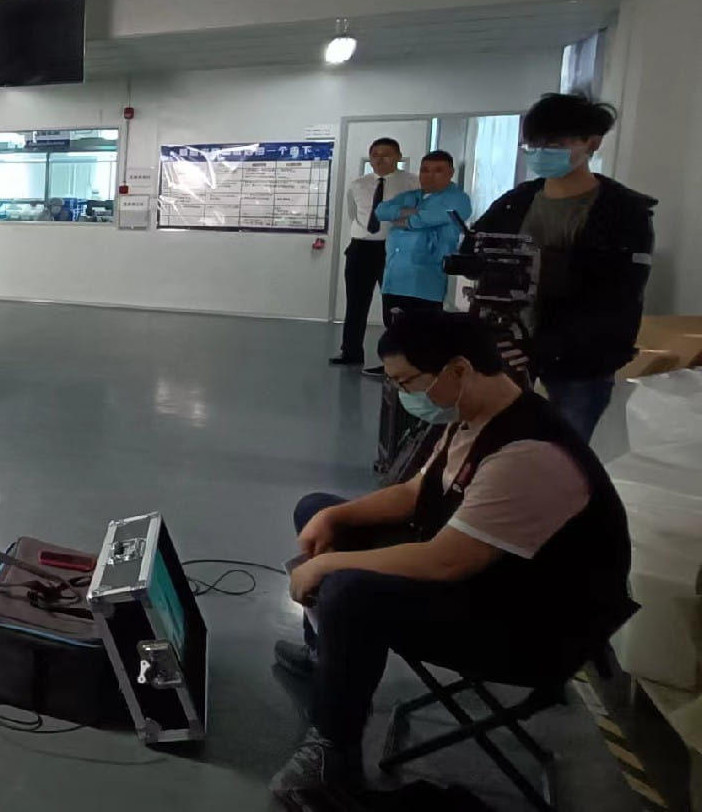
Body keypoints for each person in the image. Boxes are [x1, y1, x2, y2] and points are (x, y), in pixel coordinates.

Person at [270, 310, 633, 803]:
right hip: (490, 574)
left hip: (531, 626)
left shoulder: (529, 453)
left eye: (407, 382)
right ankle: (330, 656)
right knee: (317, 510)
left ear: (458, 370)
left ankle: (333, 753)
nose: (401, 394)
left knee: (349, 593)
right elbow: (415, 494)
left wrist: (327, 564)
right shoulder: (475, 415)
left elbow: (446, 562)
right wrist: (334, 518)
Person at [471, 95, 656, 443]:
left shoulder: (622, 213)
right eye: (534, 145)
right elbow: (476, 248)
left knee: (566, 451)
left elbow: (618, 299)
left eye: (555, 144)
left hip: (578, 360)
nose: (542, 152)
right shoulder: (518, 201)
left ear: (592, 143)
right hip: (508, 347)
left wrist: (543, 348)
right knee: (501, 444)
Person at [362, 151, 471, 376]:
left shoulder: (457, 199)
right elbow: (382, 211)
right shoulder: (411, 196)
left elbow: (433, 217)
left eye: (438, 171)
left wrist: (407, 219)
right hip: (395, 273)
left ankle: (423, 372)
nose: (429, 176)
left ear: (450, 173)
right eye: (425, 170)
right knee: (394, 326)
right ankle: (395, 368)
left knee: (424, 329)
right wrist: (415, 213)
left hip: (426, 275)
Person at [330, 138, 416, 367]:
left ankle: (394, 359)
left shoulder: (411, 183)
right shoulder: (358, 184)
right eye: (375, 154)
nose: (380, 159)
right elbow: (354, 214)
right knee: (356, 303)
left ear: (398, 156)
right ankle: (350, 352)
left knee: (393, 305)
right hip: (361, 248)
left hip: (394, 248)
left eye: (386, 154)